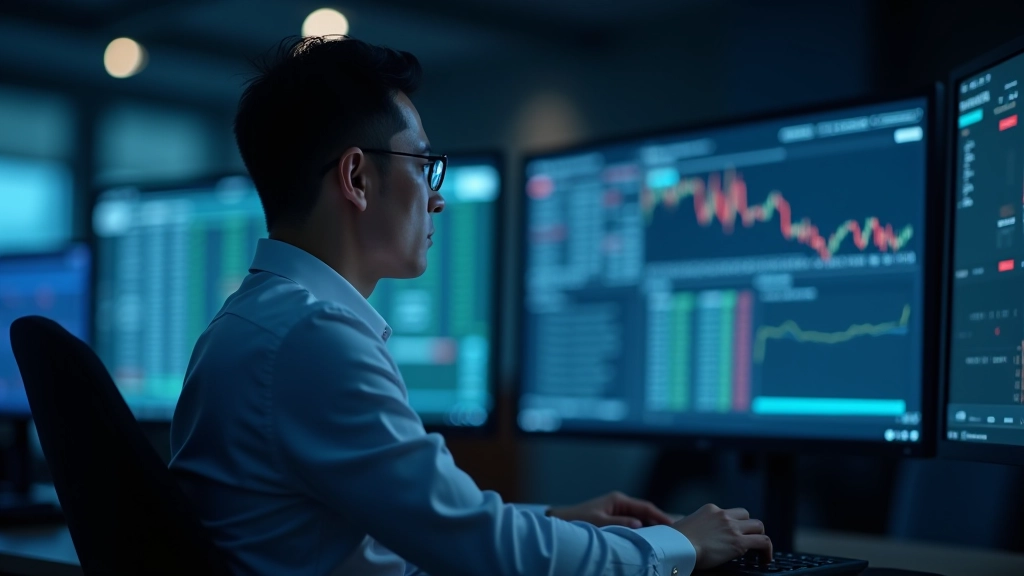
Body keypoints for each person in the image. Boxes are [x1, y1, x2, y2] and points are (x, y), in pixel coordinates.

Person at [168, 35, 772, 576]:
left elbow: (409, 526)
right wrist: (680, 548)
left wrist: (558, 517)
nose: (438, 202)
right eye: (424, 165)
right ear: (355, 177)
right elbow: (480, 552)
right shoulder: (311, 336)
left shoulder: (255, 321)